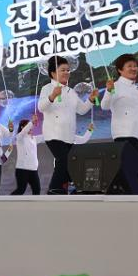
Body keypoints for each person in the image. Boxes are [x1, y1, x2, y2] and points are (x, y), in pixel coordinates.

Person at [38, 56, 99, 192]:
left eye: (68, 70)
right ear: (53, 73)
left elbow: (82, 110)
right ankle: (54, 190)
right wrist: (52, 96)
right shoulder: (47, 88)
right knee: (63, 161)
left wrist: (91, 99)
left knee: (70, 163)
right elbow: (41, 107)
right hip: (53, 134)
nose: (66, 72)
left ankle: (67, 188)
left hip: (69, 136)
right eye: (62, 70)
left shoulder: (71, 92)